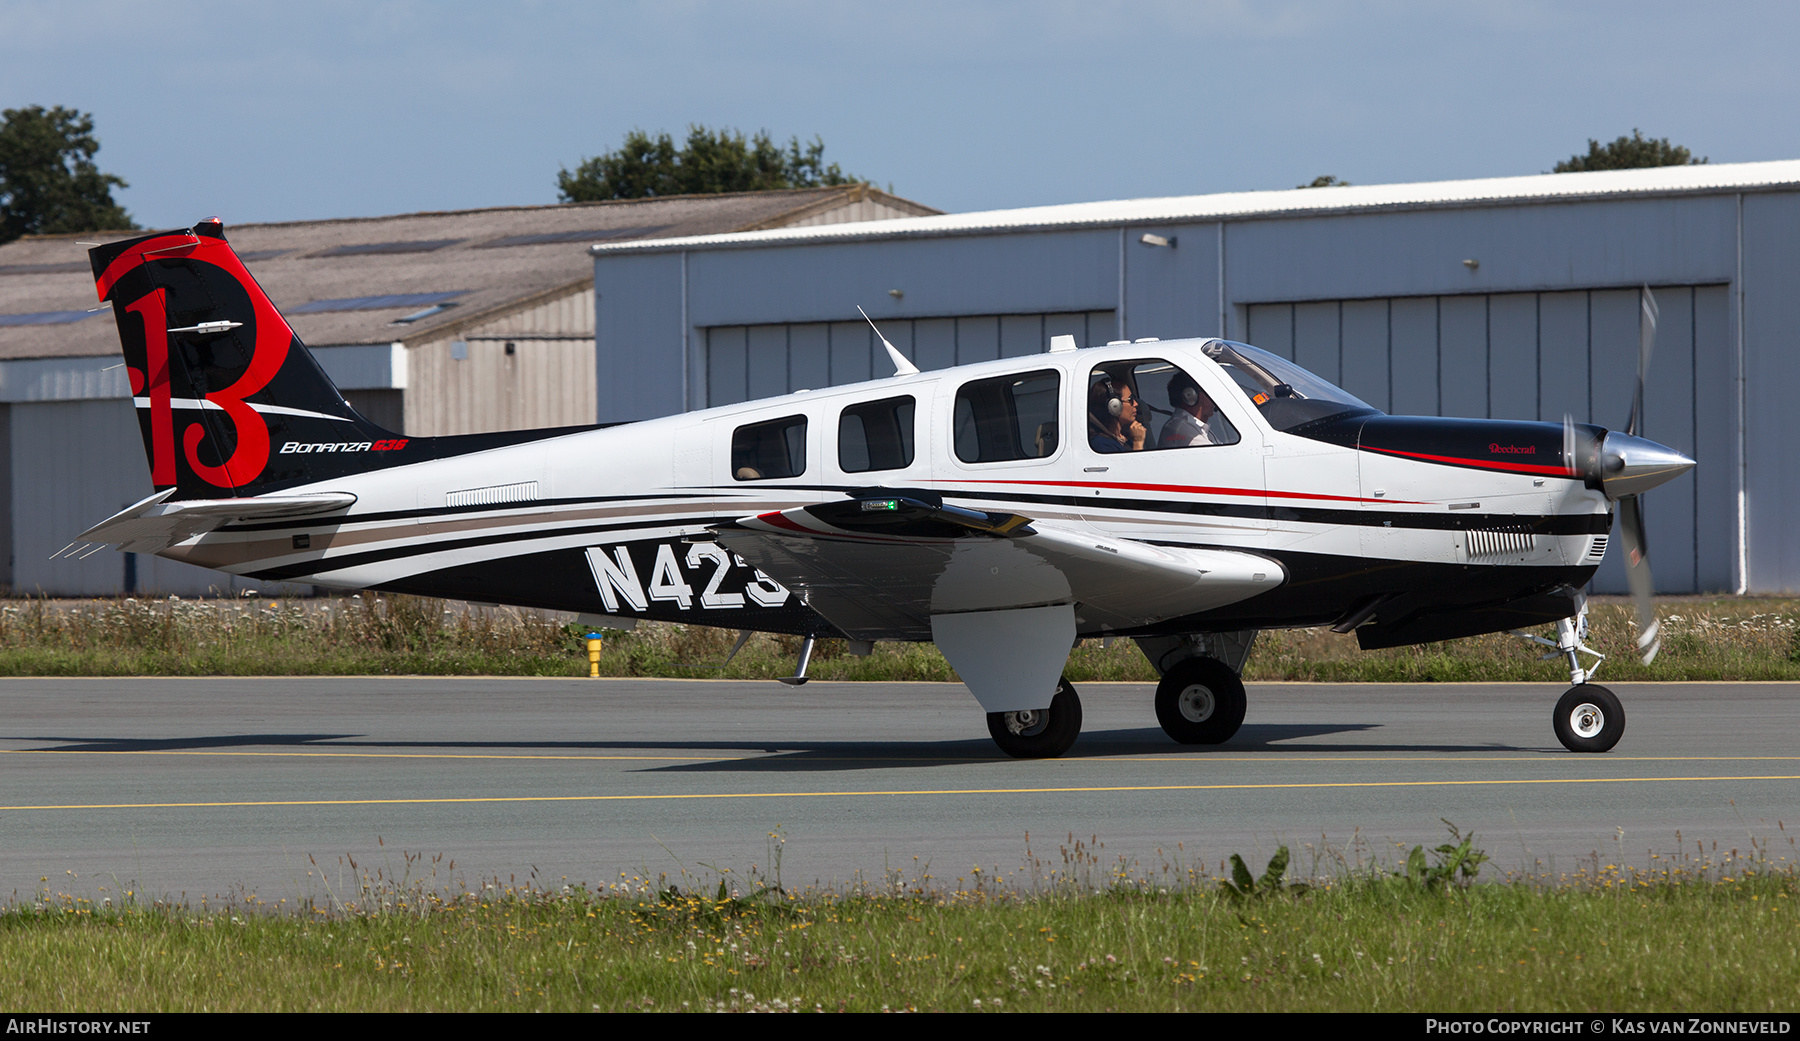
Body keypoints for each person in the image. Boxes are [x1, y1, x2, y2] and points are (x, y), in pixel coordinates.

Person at [1158, 371, 1225, 448]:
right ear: (1190, 396)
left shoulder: (1197, 427)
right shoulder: (1182, 428)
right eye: (1208, 392)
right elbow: (1215, 457)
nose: (1213, 398)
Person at [1088, 375, 1146, 453]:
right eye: (1130, 399)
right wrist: (1138, 443)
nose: (1135, 404)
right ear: (1114, 406)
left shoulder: (1124, 438)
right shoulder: (1101, 445)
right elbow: (1132, 465)